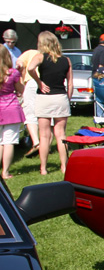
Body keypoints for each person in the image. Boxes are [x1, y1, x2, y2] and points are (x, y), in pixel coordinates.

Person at [27, 31, 71, 175]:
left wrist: (39, 82)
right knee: (61, 135)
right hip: (60, 97)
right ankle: (64, 166)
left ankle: (43, 168)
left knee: (44, 136)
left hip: (44, 98)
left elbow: (30, 68)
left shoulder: (40, 57)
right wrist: (68, 99)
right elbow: (70, 83)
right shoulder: (66, 60)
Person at [0, 46, 25, 179]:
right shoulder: (13, 73)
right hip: (11, 109)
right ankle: (5, 172)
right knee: (9, 141)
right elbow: (21, 89)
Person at [15, 48, 41, 157]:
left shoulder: (29, 53)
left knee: (29, 113)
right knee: (47, 114)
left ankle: (36, 143)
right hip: (47, 82)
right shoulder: (53, 55)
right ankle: (47, 144)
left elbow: (19, 65)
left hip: (32, 82)